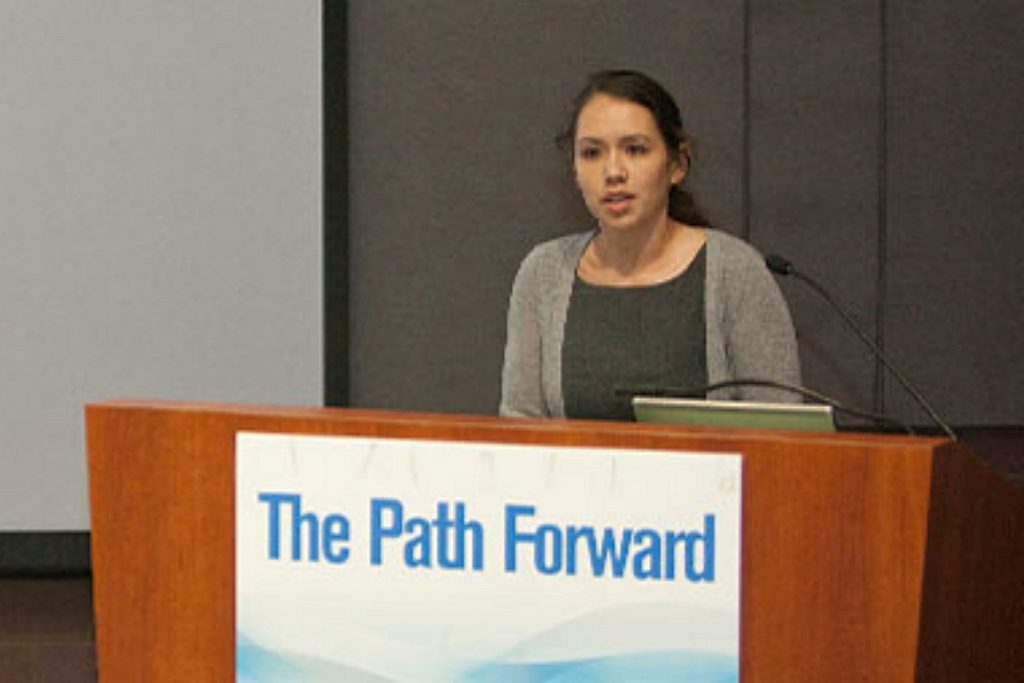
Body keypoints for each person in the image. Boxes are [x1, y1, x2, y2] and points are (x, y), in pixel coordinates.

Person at [500, 69, 800, 420]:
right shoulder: (544, 273)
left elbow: (782, 436)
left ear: (677, 164)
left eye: (635, 150)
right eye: (592, 153)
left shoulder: (735, 271)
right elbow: (520, 430)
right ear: (575, 170)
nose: (613, 171)